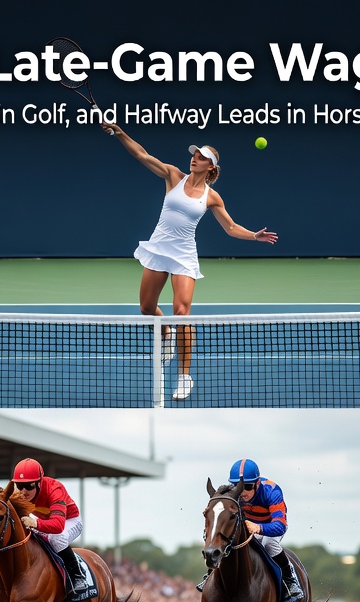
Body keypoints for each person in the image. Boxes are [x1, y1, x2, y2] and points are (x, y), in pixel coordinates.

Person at [100, 124, 278, 401]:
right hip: (159, 248)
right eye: (195, 154)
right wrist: (119, 133)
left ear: (211, 167)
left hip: (183, 253)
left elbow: (230, 228)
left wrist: (254, 236)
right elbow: (142, 156)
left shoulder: (211, 197)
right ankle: (166, 333)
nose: (195, 157)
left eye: (202, 156)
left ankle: (184, 375)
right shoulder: (173, 176)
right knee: (147, 309)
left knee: (182, 311)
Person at [197, 459, 303, 602]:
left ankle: (289, 581)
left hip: (270, 527)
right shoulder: (233, 493)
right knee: (226, 543)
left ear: (257, 483)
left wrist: (259, 528)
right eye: (239, 486)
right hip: (246, 526)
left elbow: (280, 526)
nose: (243, 492)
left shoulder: (272, 491)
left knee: (269, 545)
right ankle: (210, 575)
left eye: (247, 486)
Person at [11, 458, 90, 601]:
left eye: (29, 486)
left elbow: (58, 526)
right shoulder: (17, 492)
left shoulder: (55, 489)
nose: (24, 491)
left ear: (40, 482)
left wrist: (35, 524)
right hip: (42, 520)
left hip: (69, 521)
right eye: (20, 485)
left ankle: (77, 576)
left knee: (56, 538)